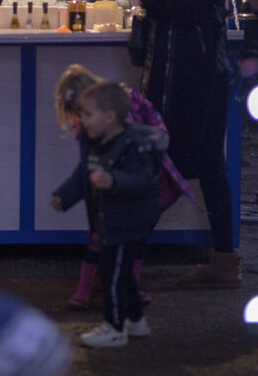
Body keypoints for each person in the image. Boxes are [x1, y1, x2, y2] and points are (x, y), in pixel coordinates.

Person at [113, 0, 239, 288]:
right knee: (204, 161)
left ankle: (123, 258)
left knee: (166, 155)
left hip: (190, 65)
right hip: (198, 60)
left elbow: (184, 3)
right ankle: (224, 259)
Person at [53, 64, 205, 310]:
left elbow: (87, 166)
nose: (84, 121)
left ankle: (100, 290)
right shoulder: (124, 104)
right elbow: (157, 127)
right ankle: (117, 288)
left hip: (132, 184)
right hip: (131, 183)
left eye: (86, 114)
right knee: (123, 237)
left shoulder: (120, 115)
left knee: (114, 236)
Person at [51, 82, 167, 348]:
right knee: (122, 275)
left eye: (88, 114)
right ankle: (136, 321)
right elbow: (83, 175)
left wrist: (114, 180)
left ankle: (114, 327)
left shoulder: (132, 145)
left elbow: (143, 180)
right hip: (112, 222)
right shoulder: (96, 145)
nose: (82, 120)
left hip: (130, 222)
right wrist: (64, 196)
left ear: (110, 116)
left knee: (112, 275)